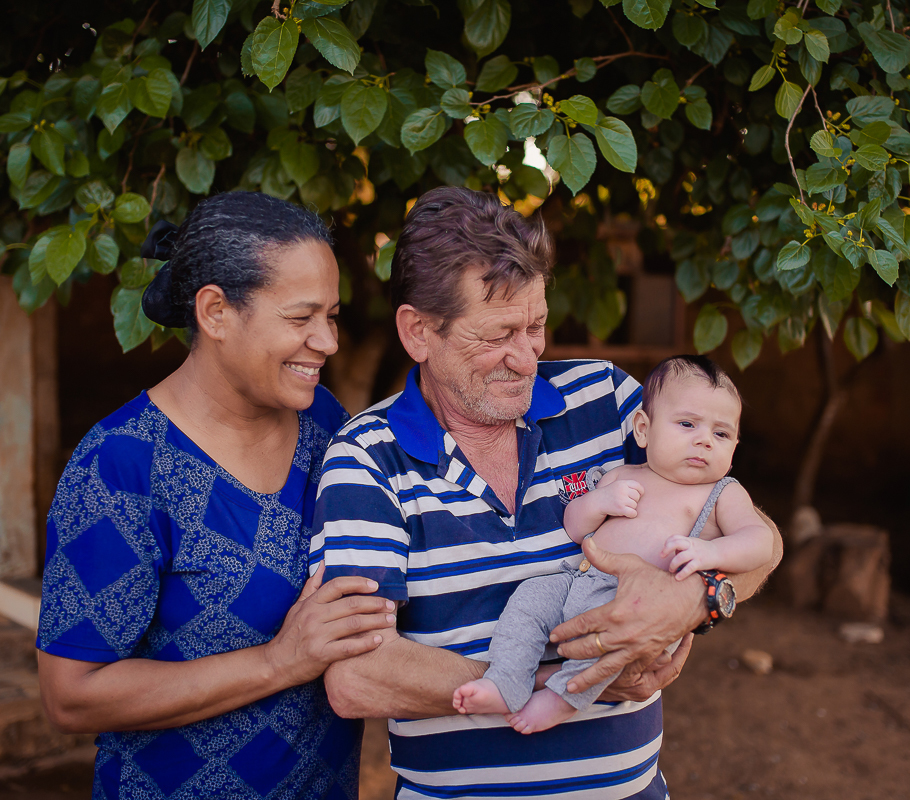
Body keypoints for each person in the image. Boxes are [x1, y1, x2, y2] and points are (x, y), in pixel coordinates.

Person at [310, 187, 783, 799]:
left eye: (535, 326)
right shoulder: (367, 457)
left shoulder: (607, 400)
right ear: (418, 331)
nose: (526, 356)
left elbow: (757, 540)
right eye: (498, 334)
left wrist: (695, 602)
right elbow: (358, 675)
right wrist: (576, 678)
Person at [35, 192, 396, 800]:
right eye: (300, 317)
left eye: (331, 316)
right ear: (215, 312)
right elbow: (72, 696)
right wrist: (279, 662)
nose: (327, 341)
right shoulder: (122, 465)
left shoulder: (326, 427)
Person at [453, 354, 775, 733]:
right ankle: (505, 680)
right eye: (687, 424)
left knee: (609, 646)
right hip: (577, 581)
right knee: (527, 602)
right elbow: (575, 527)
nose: (704, 440)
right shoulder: (622, 474)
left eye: (721, 434)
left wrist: (712, 552)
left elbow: (761, 542)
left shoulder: (721, 493)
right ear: (643, 429)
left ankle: (561, 698)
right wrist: (597, 502)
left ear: (735, 447)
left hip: (637, 602)